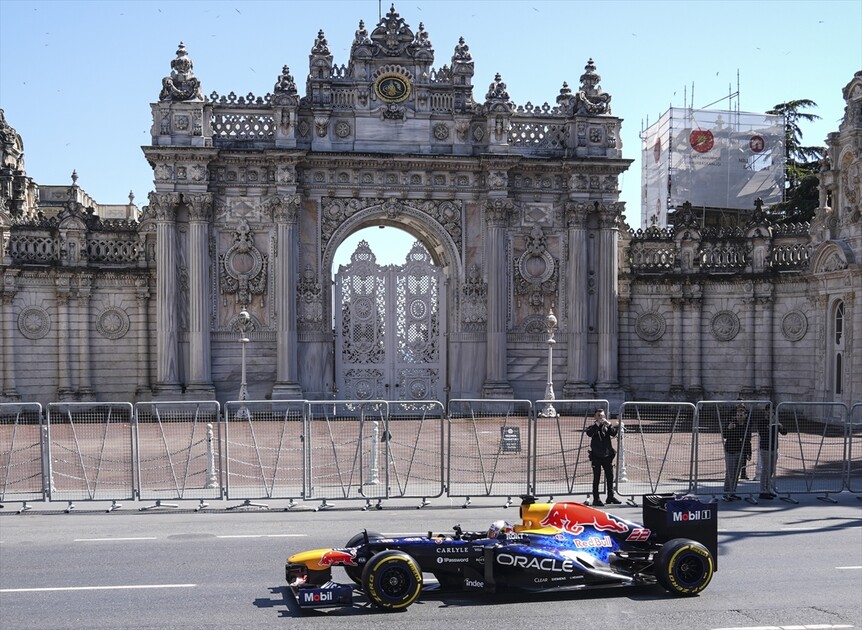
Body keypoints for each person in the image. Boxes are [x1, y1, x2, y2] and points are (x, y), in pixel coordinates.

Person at [586, 409, 621, 506]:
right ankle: (596, 499)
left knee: (610, 476)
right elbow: (589, 433)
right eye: (599, 416)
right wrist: (597, 425)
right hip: (596, 456)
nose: (601, 418)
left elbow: (614, 433)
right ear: (595, 417)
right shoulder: (592, 427)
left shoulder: (606, 427)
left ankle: (610, 496)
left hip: (607, 456)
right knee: (596, 478)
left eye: (602, 416)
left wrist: (609, 425)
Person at [755, 411, 787, 499]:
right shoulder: (762, 422)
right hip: (765, 448)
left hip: (774, 448)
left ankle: (768, 488)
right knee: (765, 469)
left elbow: (784, 432)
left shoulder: (776, 422)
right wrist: (769, 427)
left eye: (771, 414)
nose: (769, 415)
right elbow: (762, 434)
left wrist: (781, 426)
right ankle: (762, 491)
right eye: (767, 414)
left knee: (771, 469)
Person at [722, 403, 751, 500]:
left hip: (740, 451)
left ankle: (733, 491)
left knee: (736, 473)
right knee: (730, 473)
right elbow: (724, 435)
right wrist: (729, 428)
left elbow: (748, 439)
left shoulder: (746, 425)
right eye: (738, 415)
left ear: (745, 415)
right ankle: (726, 493)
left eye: (741, 415)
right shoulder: (731, 422)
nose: (739, 417)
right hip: (730, 451)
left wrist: (748, 452)